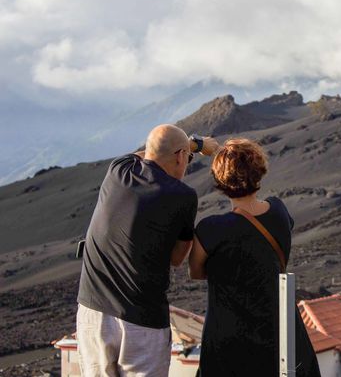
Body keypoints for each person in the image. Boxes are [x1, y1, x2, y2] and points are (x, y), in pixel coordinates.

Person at [77, 124, 218, 377]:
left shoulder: (118, 170)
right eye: (186, 157)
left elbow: (148, 153)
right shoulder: (183, 196)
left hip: (93, 311)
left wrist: (192, 145)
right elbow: (177, 259)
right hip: (142, 320)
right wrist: (194, 146)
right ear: (178, 156)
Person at [189, 138, 320, 376]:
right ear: (260, 172)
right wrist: (229, 155)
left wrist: (209, 151)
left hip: (230, 341)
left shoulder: (211, 229)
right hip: (280, 335)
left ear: (219, 181)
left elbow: (195, 271)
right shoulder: (279, 212)